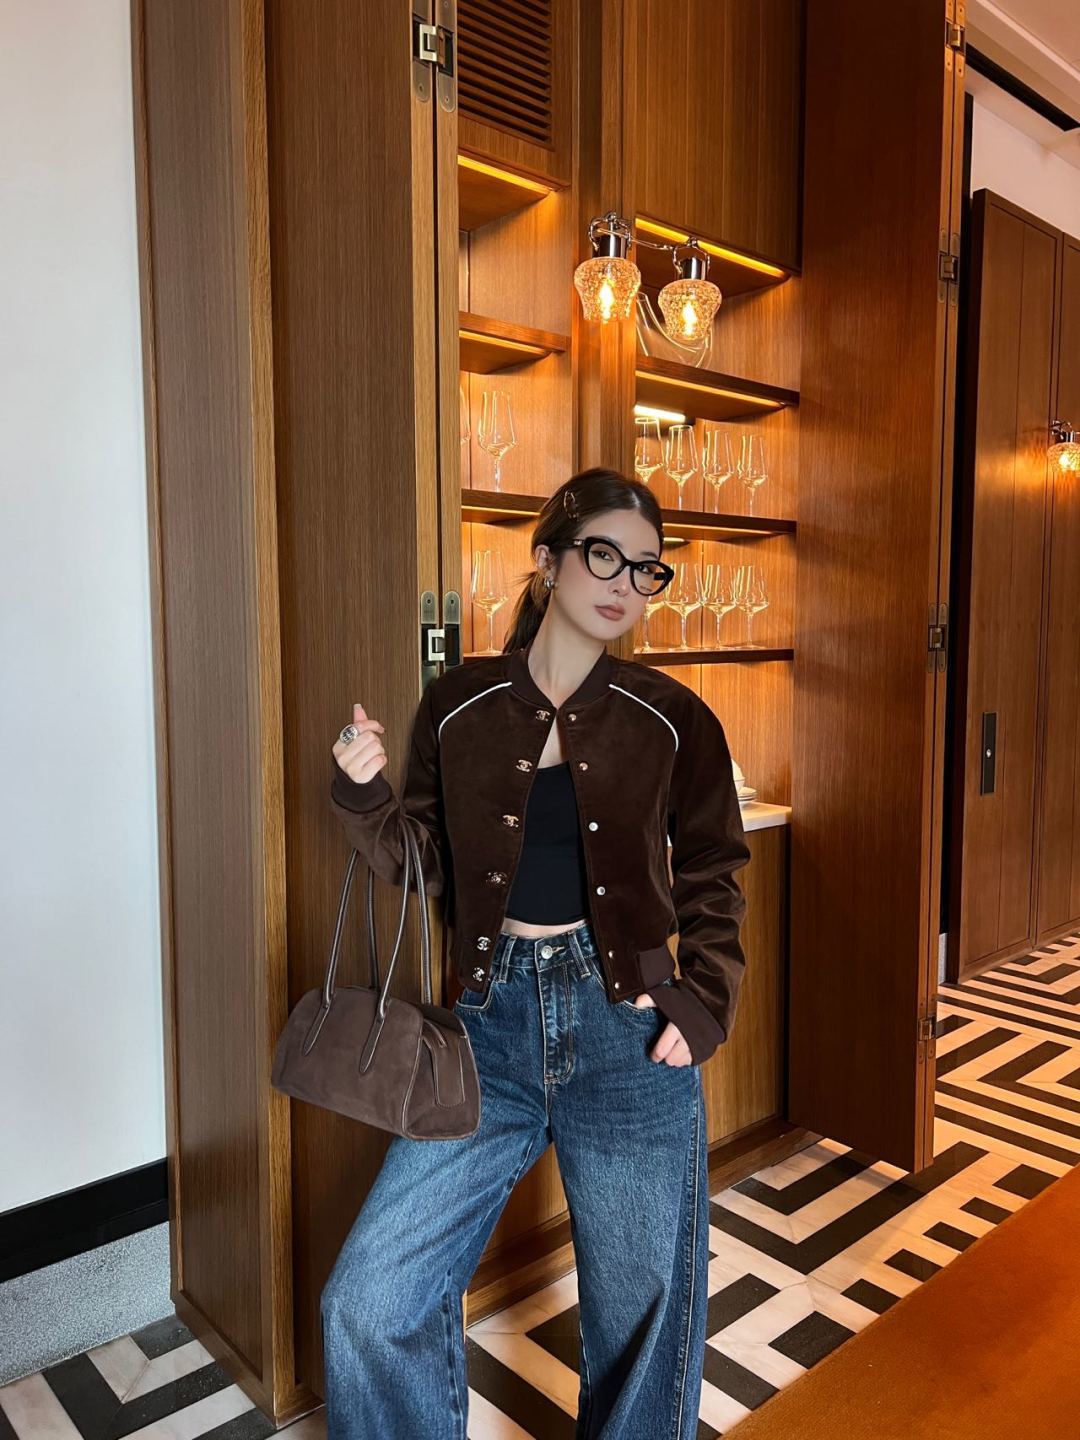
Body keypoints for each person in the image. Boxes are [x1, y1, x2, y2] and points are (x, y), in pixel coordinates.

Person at [320, 466, 751, 1438]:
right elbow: (427, 861)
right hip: (487, 1034)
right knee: (371, 1300)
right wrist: (363, 794)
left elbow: (716, 867)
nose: (625, 583)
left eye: (646, 568)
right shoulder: (459, 704)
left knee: (644, 1319)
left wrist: (704, 1001)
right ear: (549, 561)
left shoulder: (673, 716)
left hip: (627, 1035)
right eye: (604, 554)